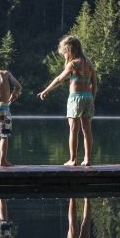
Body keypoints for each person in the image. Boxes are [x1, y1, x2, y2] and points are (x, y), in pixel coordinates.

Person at [37, 35, 97, 166]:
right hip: (88, 98)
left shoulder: (73, 64)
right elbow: (94, 84)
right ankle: (87, 159)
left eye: (64, 53)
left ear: (70, 50)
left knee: (73, 130)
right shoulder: (89, 63)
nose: (64, 56)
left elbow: (59, 79)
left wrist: (46, 90)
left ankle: (73, 159)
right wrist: (92, 98)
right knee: (87, 130)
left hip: (75, 98)